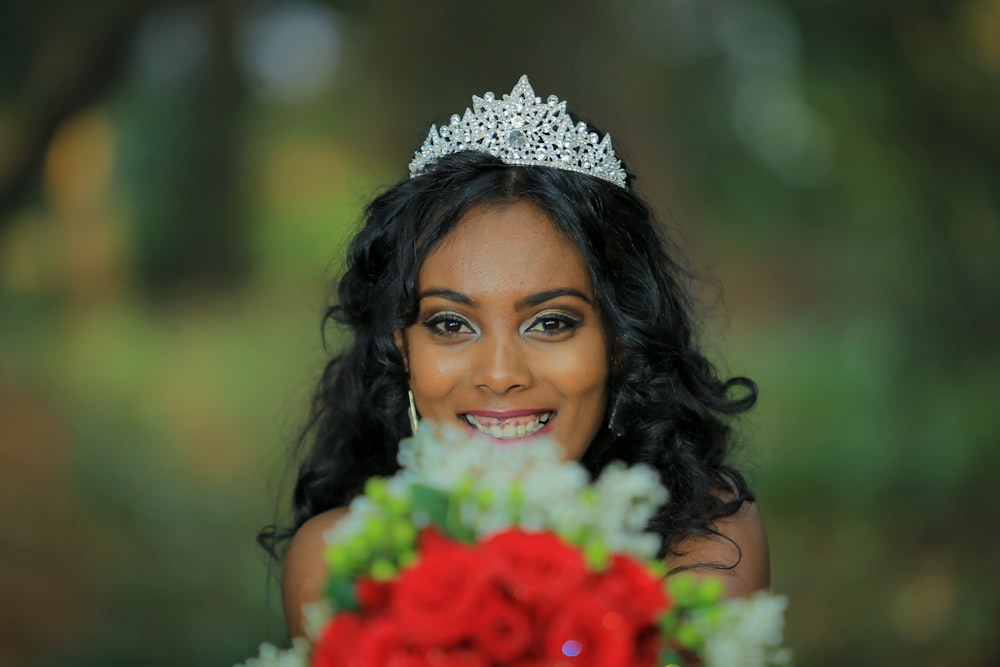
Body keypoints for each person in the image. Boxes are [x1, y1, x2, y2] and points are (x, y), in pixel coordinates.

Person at [260, 75, 769, 639]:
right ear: (401, 348)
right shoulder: (341, 557)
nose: (500, 375)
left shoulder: (707, 540)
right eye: (450, 324)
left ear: (621, 342)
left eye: (551, 323)